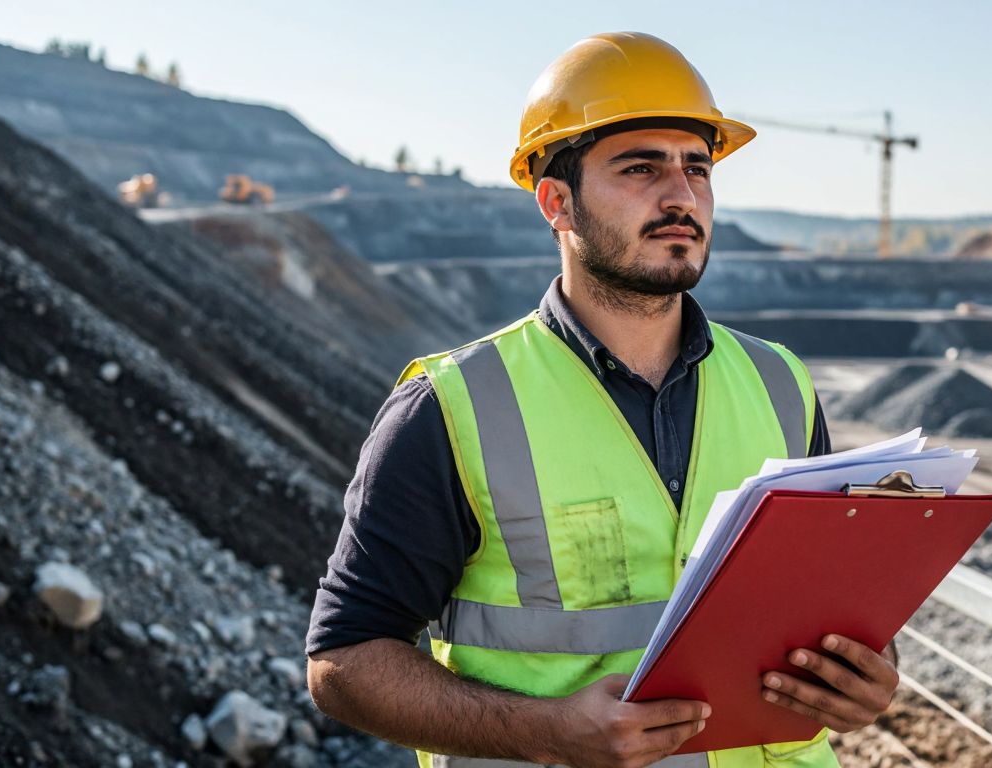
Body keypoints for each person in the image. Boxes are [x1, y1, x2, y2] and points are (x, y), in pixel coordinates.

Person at [305, 32, 899, 768]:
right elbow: (344, 663)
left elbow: (830, 603)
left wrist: (865, 676)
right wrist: (546, 731)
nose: (681, 195)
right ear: (557, 201)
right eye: (640, 168)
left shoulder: (780, 383)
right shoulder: (452, 407)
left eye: (697, 169)